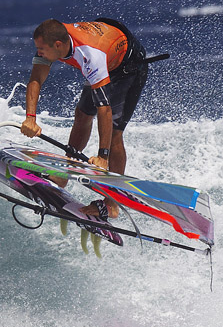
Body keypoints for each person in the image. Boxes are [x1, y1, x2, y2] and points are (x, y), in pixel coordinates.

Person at [21, 18, 149, 220]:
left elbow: (104, 109)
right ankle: (63, 175)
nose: (38, 52)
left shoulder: (90, 55)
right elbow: (36, 78)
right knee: (82, 114)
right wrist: (30, 118)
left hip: (128, 68)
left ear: (58, 45)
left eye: (41, 49)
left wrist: (102, 157)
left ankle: (112, 203)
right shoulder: (54, 40)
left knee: (114, 133)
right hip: (106, 58)